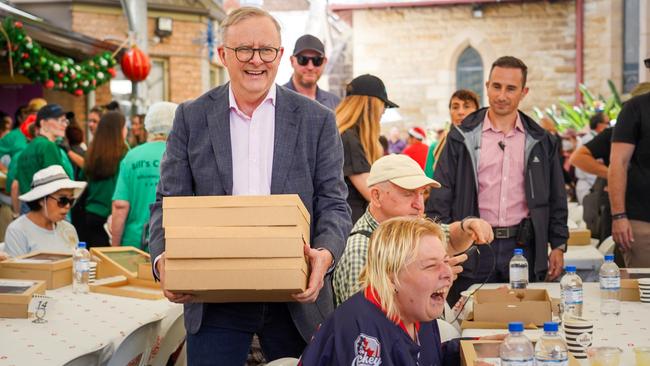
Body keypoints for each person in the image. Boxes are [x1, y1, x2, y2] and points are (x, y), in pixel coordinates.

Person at [147, 7, 351, 365]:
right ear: (223, 54)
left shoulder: (317, 120)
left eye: (266, 50)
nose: (256, 60)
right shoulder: (192, 117)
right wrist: (164, 260)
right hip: (213, 299)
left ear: (280, 56)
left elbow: (334, 203)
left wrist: (326, 254)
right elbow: (168, 201)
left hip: (295, 298)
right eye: (244, 50)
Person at [426, 56, 568, 306]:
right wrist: (440, 241)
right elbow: (442, 192)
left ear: (524, 92)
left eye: (510, 88)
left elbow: (556, 196)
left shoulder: (541, 140)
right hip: (472, 244)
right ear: (487, 85)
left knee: (522, 316)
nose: (502, 95)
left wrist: (558, 244)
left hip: (523, 247)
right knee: (466, 315)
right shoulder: (461, 137)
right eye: (496, 86)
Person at [333, 154, 494, 306]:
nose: (419, 204)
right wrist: (429, 285)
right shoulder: (361, 252)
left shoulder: (409, 229)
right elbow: (367, 326)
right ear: (376, 196)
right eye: (408, 194)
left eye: (422, 193)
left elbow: (450, 240)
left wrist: (467, 226)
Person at [300, 217, 461, 365]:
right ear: (391, 276)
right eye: (431, 266)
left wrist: (469, 347)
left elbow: (426, 357)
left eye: (445, 261)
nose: (447, 273)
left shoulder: (418, 309)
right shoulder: (360, 331)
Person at [111, 102, 177, 250]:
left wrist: (114, 248)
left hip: (134, 244)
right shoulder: (182, 156)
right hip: (169, 243)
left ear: (148, 125)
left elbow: (120, 205)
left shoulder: (132, 156)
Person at [337, 74, 398, 223]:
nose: (384, 111)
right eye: (384, 105)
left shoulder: (347, 135)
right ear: (371, 104)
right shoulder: (349, 139)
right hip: (350, 227)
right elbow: (373, 194)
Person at [609, 57, 650, 267]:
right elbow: (618, 163)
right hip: (643, 225)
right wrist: (619, 216)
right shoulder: (635, 108)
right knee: (643, 296)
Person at [5, 165, 85, 257]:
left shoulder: (69, 229)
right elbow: (17, 270)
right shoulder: (17, 230)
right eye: (62, 200)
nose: (67, 206)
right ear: (42, 200)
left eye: (71, 200)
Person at [80, 111, 129, 248]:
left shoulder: (92, 151)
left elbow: (83, 180)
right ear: (118, 130)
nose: (127, 130)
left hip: (90, 214)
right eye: (125, 127)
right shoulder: (125, 154)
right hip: (111, 217)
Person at [14, 104, 75, 203]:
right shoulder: (48, 146)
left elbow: (15, 185)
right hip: (48, 209)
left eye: (66, 121)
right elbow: (58, 184)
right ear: (43, 123)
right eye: (60, 120)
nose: (65, 124)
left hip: (29, 208)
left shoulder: (26, 150)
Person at [425, 90, 480, 178]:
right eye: (455, 107)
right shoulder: (436, 147)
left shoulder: (485, 143)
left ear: (477, 112)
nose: (460, 112)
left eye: (466, 106)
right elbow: (429, 182)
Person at [284, 34, 340, 110]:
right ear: (292, 61)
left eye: (317, 60)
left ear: (324, 62)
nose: (310, 67)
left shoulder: (335, 103)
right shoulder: (276, 99)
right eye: (303, 60)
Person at [574, 112, 610, 204]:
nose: (609, 125)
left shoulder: (593, 138)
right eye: (607, 123)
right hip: (588, 185)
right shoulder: (589, 139)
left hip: (593, 184)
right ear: (599, 125)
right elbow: (585, 164)